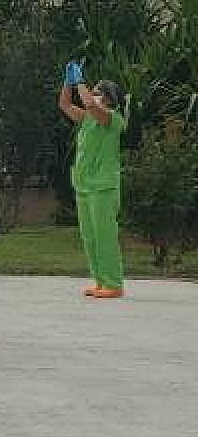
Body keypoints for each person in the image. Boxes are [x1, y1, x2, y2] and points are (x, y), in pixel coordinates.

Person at [59, 62, 127, 299]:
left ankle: (113, 283)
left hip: (104, 187)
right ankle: (100, 282)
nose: (94, 95)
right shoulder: (88, 119)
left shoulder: (113, 119)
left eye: (99, 92)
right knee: (89, 237)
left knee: (104, 235)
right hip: (85, 186)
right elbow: (65, 104)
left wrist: (80, 82)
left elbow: (88, 102)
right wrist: (68, 83)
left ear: (109, 99)